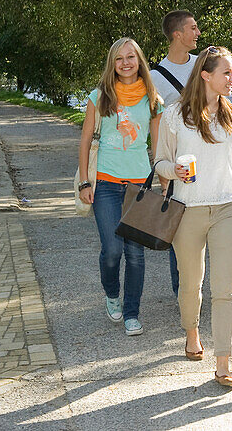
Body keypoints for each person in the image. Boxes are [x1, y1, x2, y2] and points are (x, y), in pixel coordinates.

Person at [154, 45, 232, 387]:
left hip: (227, 209)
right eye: (226, 72)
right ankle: (191, 333)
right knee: (191, 283)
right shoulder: (175, 115)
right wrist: (174, 171)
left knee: (225, 289)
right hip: (187, 210)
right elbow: (160, 163)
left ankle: (223, 363)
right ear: (206, 75)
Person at [77, 37, 164, 336]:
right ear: (112, 64)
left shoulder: (152, 99)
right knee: (112, 250)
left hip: (139, 186)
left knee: (136, 254)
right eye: (119, 58)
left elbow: (158, 146)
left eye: (131, 57)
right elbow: (86, 140)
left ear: (140, 60)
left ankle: (132, 312)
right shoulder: (99, 96)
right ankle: (111, 293)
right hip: (106, 185)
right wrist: (85, 183)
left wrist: (164, 185)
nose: (126, 63)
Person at [150, 9, 201, 296]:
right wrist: (161, 167)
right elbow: (155, 124)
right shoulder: (155, 78)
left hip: (206, 155)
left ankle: (199, 284)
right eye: (192, 28)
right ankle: (182, 288)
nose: (198, 33)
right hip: (178, 161)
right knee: (178, 221)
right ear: (177, 34)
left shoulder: (203, 66)